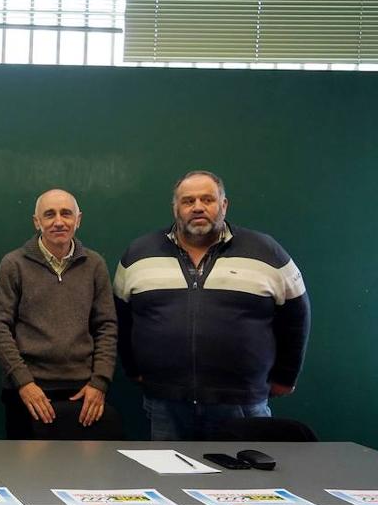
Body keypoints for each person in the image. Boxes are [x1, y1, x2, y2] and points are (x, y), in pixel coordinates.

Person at [114, 171, 311, 440]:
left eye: (207, 199)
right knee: (169, 480)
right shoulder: (138, 253)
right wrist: (133, 369)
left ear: (224, 205)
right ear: (175, 208)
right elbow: (122, 319)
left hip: (242, 402)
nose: (197, 207)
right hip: (165, 402)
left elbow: (297, 316)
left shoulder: (267, 250)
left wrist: (286, 377)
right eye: (188, 201)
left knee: (245, 481)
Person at [0, 189, 118, 438]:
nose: (59, 222)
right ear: (37, 222)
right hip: (27, 391)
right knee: (28, 474)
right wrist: (23, 383)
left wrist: (99, 382)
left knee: (85, 473)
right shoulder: (14, 264)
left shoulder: (94, 265)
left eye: (66, 214)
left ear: (78, 219)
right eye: (49, 215)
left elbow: (106, 327)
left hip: (83, 391)